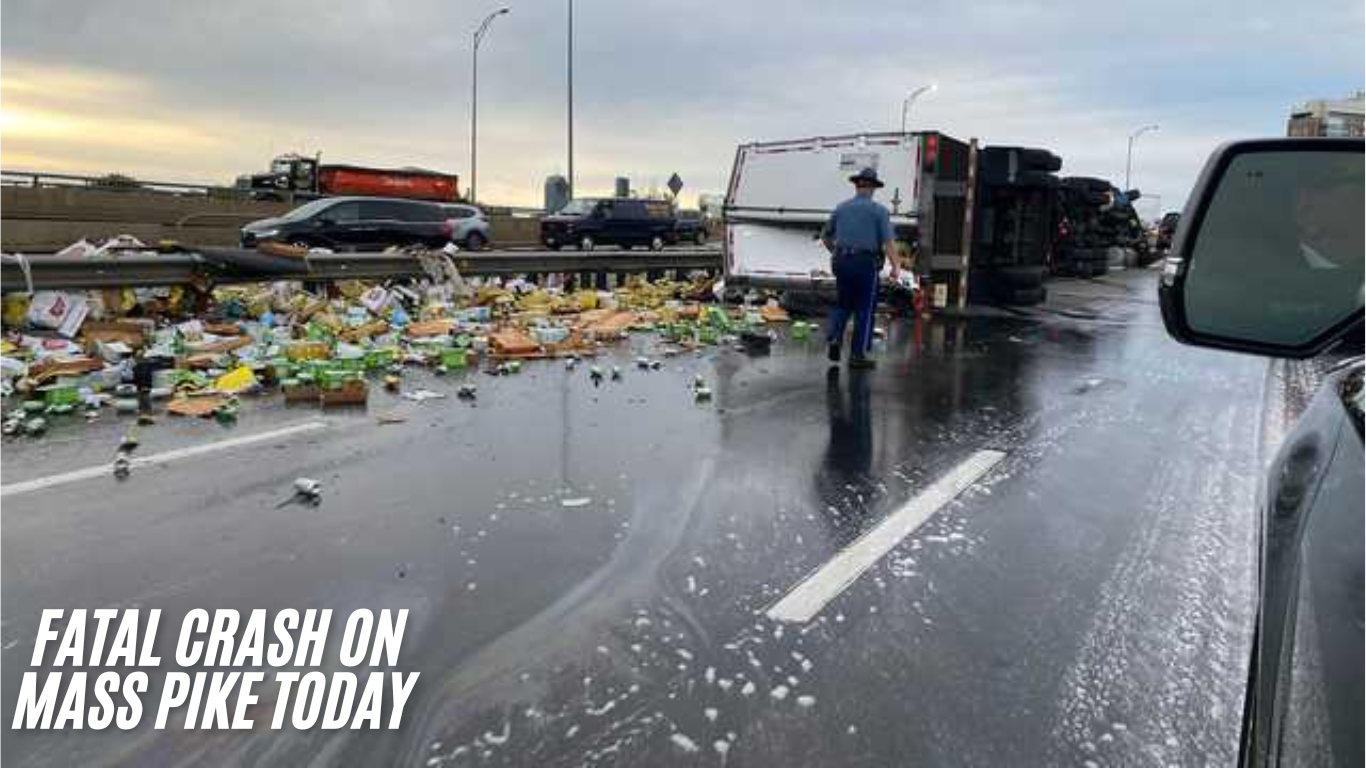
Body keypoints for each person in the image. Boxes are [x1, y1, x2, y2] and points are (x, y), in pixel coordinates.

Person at [821, 167, 900, 369]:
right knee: (864, 308)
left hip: (841, 260)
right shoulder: (879, 211)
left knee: (843, 303)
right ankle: (857, 355)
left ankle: (834, 339)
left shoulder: (841, 208)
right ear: (873, 188)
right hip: (864, 263)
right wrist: (895, 267)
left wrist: (837, 252)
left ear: (856, 186)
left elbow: (825, 236)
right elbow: (889, 242)